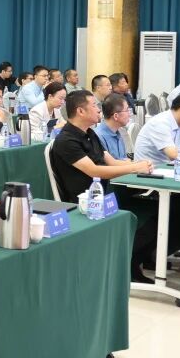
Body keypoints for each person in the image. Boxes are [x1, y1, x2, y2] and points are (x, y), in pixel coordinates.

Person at [49, 90, 155, 281]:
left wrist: (139, 164)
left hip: (106, 193)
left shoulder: (90, 133)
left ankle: (132, 262)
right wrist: (134, 168)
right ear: (81, 111)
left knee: (158, 210)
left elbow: (111, 162)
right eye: (94, 106)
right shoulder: (66, 140)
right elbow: (94, 171)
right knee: (149, 216)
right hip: (88, 202)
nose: (99, 110)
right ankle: (126, 264)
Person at [93, 93, 133, 160]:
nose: (129, 114)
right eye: (127, 110)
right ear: (116, 116)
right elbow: (106, 165)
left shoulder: (117, 132)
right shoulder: (98, 137)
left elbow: (124, 160)